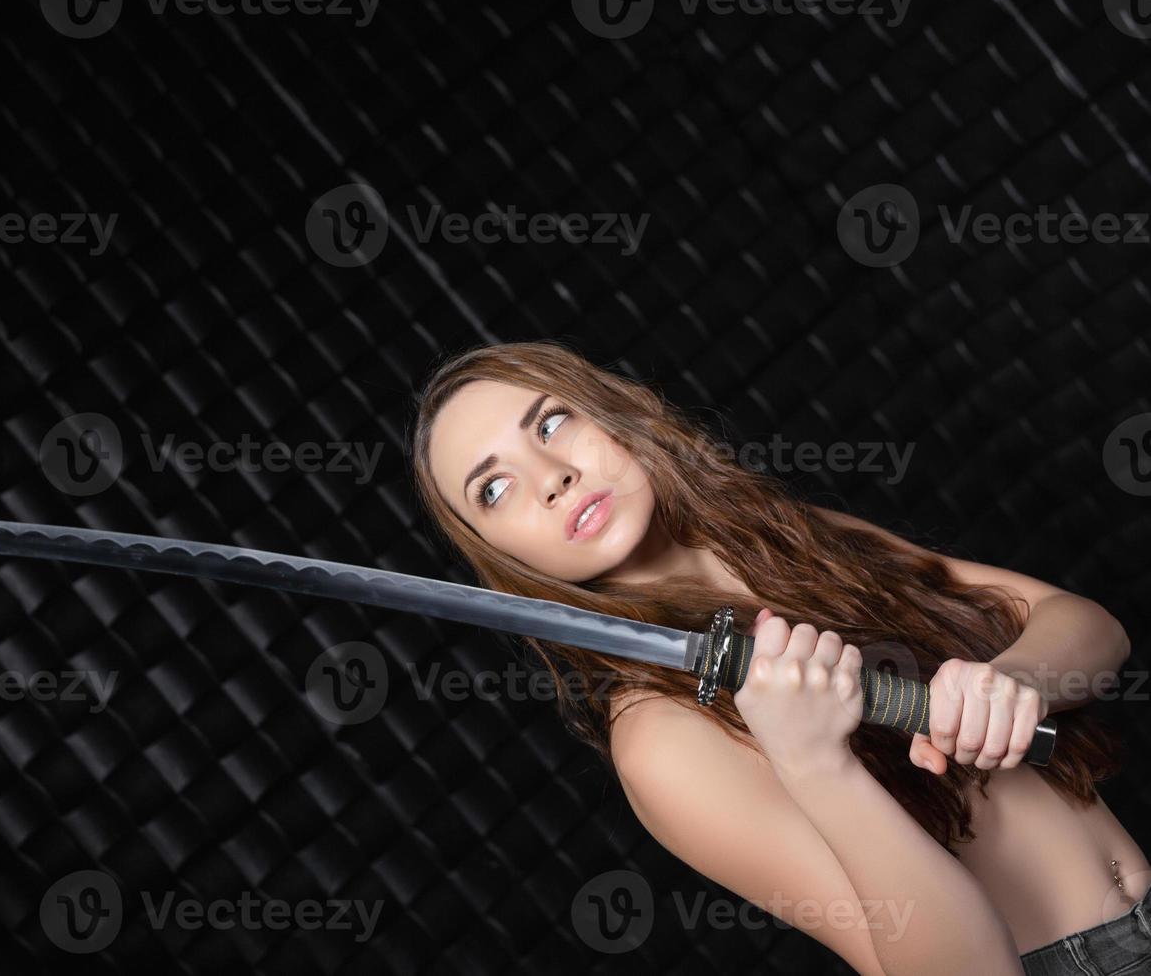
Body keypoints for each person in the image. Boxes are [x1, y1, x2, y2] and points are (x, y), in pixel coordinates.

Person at [409, 339, 1146, 975]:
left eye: (552, 420)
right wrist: (817, 766)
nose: (551, 477)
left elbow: (1090, 627)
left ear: (613, 411)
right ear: (500, 554)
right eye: (495, 487)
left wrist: (1014, 681)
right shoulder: (658, 735)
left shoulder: (788, 538)